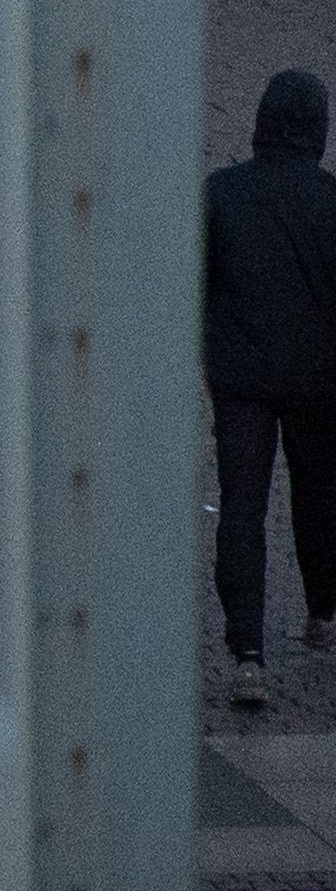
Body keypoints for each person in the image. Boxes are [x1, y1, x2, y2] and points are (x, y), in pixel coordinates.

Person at [217, 64, 336, 707]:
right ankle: (322, 608)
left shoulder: (223, 193)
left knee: (242, 510)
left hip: (240, 381)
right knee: (318, 500)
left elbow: (196, 286)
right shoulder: (330, 202)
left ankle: (247, 655)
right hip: (319, 384)